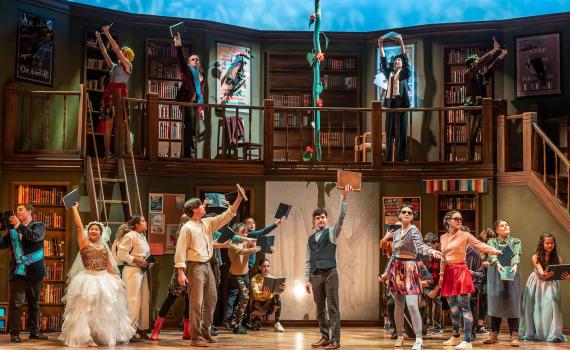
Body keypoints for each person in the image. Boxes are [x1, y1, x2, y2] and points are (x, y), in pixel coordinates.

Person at [174, 185, 244, 347]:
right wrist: (180, 272)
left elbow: (227, 216)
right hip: (194, 267)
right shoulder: (187, 228)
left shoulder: (206, 223)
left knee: (212, 299)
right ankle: (196, 336)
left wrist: (239, 199)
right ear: (194, 210)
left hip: (207, 265)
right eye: (200, 205)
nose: (203, 206)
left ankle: (206, 331)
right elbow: (180, 250)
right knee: (196, 303)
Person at [59, 203, 134, 346]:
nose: (93, 231)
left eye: (96, 230)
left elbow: (109, 265)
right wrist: (75, 209)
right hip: (88, 279)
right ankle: (86, 338)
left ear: (101, 233)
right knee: (85, 311)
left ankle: (102, 336)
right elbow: (79, 227)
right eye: (91, 229)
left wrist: (118, 279)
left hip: (104, 279)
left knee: (104, 311)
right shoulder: (84, 243)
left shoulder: (103, 247)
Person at [379, 205, 442, 350]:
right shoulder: (396, 233)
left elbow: (420, 246)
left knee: (413, 305)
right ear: (400, 216)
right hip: (397, 269)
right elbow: (394, 255)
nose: (407, 214)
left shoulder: (414, 230)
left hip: (410, 268)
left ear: (412, 217)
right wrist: (386, 273)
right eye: (404, 212)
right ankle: (400, 335)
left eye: (409, 212)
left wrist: (432, 251)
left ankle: (419, 339)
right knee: (398, 306)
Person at [439, 211, 500, 350]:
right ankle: (455, 336)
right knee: (453, 308)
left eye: (461, 219)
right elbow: (443, 257)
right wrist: (441, 275)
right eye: (456, 219)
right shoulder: (443, 237)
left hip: (461, 271)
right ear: (448, 221)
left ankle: (467, 340)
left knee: (464, 307)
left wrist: (493, 251)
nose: (460, 221)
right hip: (449, 273)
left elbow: (479, 245)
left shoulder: (465, 235)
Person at [304, 184, 353, 350]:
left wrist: (343, 198)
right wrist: (306, 279)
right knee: (319, 309)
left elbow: (341, 217)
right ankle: (325, 337)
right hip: (315, 275)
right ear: (314, 221)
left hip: (330, 273)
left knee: (333, 307)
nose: (321, 219)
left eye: (323, 217)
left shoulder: (332, 232)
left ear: (326, 218)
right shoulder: (310, 239)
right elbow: (307, 260)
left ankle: (335, 340)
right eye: (318, 218)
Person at [0, 204, 48, 343]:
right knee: (16, 303)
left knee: (34, 303)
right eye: (17, 210)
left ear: (29, 212)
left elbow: (34, 237)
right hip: (17, 272)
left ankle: (35, 332)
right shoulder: (12, 230)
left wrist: (18, 225)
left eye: (21, 209)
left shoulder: (39, 226)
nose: (17, 212)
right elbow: (2, 244)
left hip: (35, 271)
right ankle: (14, 333)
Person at [520, 233, 569, 342]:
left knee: (552, 308)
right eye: (547, 243)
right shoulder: (536, 256)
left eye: (552, 243)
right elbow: (540, 271)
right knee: (536, 308)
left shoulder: (558, 258)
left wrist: (567, 277)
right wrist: (544, 274)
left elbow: (563, 272)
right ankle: (535, 333)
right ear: (542, 244)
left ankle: (553, 334)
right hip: (537, 283)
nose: (550, 245)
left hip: (551, 284)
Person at [463, 38, 507, 160]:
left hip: (483, 108)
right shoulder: (468, 74)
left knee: (486, 135)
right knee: (472, 136)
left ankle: (485, 160)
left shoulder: (480, 76)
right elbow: (482, 62)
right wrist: (494, 50)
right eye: (475, 62)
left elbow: (491, 68)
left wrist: (501, 55)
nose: (478, 63)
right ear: (471, 64)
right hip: (473, 108)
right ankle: (470, 161)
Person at [95, 25, 134, 159]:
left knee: (123, 125)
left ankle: (124, 151)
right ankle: (107, 152)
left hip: (120, 96)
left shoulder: (128, 66)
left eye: (125, 53)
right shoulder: (114, 66)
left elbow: (116, 49)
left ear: (129, 57)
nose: (122, 53)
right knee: (108, 125)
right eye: (122, 52)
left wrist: (107, 33)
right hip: (109, 96)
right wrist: (99, 38)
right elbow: (104, 53)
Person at [484, 219, 522, 347]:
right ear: (497, 230)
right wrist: (497, 264)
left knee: (513, 302)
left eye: (507, 224)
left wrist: (515, 264)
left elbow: (516, 253)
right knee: (496, 301)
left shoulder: (515, 241)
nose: (505, 226)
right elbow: (491, 255)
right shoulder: (492, 241)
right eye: (502, 225)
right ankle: (494, 333)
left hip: (511, 271)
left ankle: (514, 335)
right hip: (496, 272)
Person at [117, 215, 151, 340]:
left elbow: (144, 252)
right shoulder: (130, 235)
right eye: (142, 221)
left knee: (144, 298)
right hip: (132, 271)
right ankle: (129, 331)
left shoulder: (141, 236)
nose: (145, 222)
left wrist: (148, 262)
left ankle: (142, 328)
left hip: (142, 270)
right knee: (133, 300)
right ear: (136, 224)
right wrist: (135, 259)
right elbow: (121, 253)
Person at [223, 222, 261, 334]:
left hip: (245, 274)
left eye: (246, 231)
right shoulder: (231, 243)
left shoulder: (246, 242)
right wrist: (253, 249)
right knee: (244, 297)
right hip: (236, 275)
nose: (245, 234)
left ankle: (235, 322)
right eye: (242, 232)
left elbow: (257, 245)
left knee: (244, 298)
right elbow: (240, 252)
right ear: (236, 233)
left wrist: (268, 248)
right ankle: (236, 324)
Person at [378, 33, 410, 161]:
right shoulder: (389, 73)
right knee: (389, 132)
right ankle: (387, 159)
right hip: (390, 105)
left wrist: (401, 42)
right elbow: (383, 61)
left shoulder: (405, 73)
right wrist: (380, 45)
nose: (398, 61)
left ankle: (400, 159)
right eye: (396, 60)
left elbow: (405, 58)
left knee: (401, 133)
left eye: (400, 60)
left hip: (402, 106)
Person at [173, 32, 205, 158]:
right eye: (193, 59)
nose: (195, 60)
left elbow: (201, 93)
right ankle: (188, 155)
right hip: (187, 103)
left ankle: (190, 154)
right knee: (189, 128)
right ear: (189, 63)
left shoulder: (202, 77)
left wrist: (202, 109)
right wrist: (178, 43)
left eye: (197, 59)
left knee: (193, 130)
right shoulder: (188, 72)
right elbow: (181, 58)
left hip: (196, 104)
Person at [250, 259, 286, 332]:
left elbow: (276, 293)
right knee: (256, 328)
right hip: (258, 305)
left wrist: (281, 289)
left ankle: (277, 322)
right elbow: (255, 294)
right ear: (260, 267)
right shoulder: (255, 279)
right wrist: (263, 294)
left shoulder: (272, 278)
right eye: (264, 266)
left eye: (268, 266)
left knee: (278, 297)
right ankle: (257, 320)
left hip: (269, 305)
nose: (266, 268)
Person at [474, 228, 495, 334]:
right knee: (472, 301)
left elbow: (495, 263)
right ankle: (472, 324)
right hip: (475, 278)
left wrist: (490, 264)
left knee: (484, 301)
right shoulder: (475, 249)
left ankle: (480, 325)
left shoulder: (491, 251)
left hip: (487, 278)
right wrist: (483, 264)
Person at [422, 232, 443, 334]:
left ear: (436, 245)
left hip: (438, 284)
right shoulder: (424, 256)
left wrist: (435, 290)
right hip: (426, 283)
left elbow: (442, 277)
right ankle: (426, 324)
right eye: (426, 245)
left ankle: (437, 326)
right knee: (424, 300)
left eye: (429, 245)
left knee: (437, 300)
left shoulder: (440, 257)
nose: (427, 247)